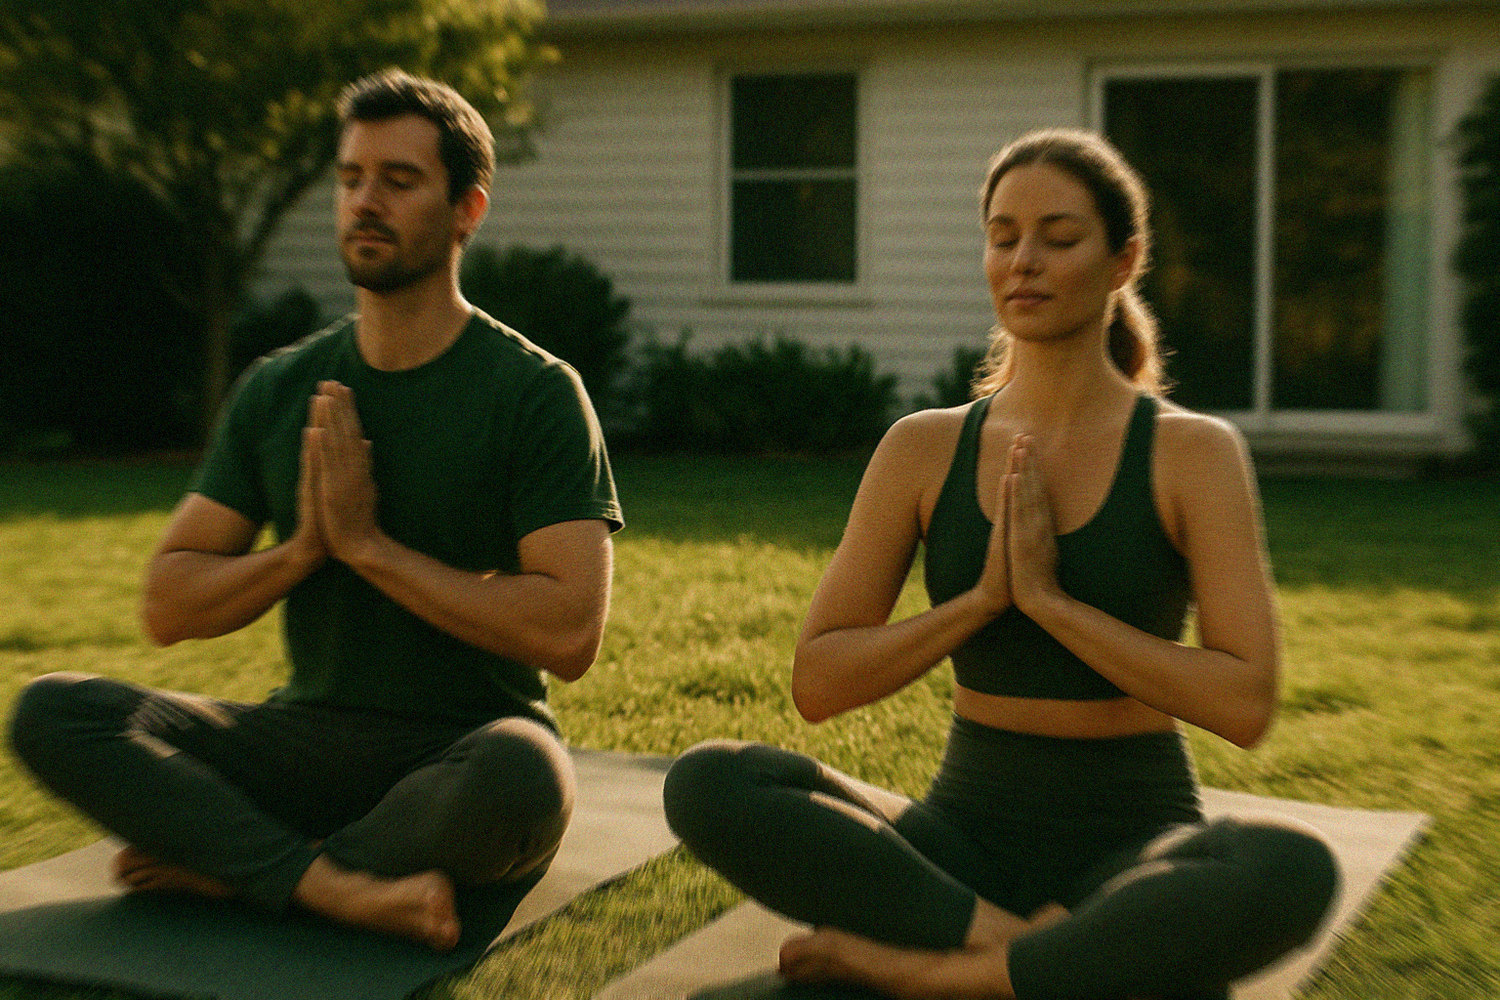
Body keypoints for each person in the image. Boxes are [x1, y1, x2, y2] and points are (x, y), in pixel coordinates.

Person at [663, 129, 1339, 999]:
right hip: (957, 847)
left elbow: (1244, 703)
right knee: (716, 779)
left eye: (1060, 238)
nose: (1024, 260)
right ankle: (1026, 961)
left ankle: (930, 979)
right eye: (1003, 235)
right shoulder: (924, 447)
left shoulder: (1190, 452)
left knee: (1286, 865)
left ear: (1122, 260)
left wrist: (1057, 607)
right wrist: (981, 602)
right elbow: (819, 682)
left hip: (1133, 842)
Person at [7, 69, 622, 952]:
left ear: (467, 209)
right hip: (304, 743)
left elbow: (570, 633)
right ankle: (332, 882)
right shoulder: (281, 386)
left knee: (525, 777)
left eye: (398, 181)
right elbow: (167, 604)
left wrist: (370, 549)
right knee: (56, 711)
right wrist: (301, 552)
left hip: (459, 752)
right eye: (350, 179)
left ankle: (248, 869)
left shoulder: (534, 393)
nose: (364, 202)